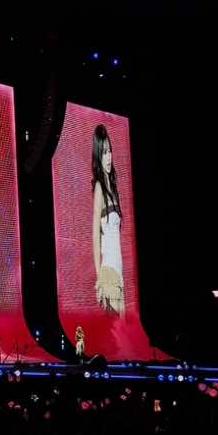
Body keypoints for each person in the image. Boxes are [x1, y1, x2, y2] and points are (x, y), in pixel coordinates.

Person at [91, 123, 125, 318]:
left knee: (123, 334)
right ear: (98, 155)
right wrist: (100, 277)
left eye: (110, 151)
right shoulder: (99, 189)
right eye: (104, 152)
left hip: (118, 271)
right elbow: (95, 237)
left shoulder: (113, 188)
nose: (109, 157)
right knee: (118, 331)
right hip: (109, 270)